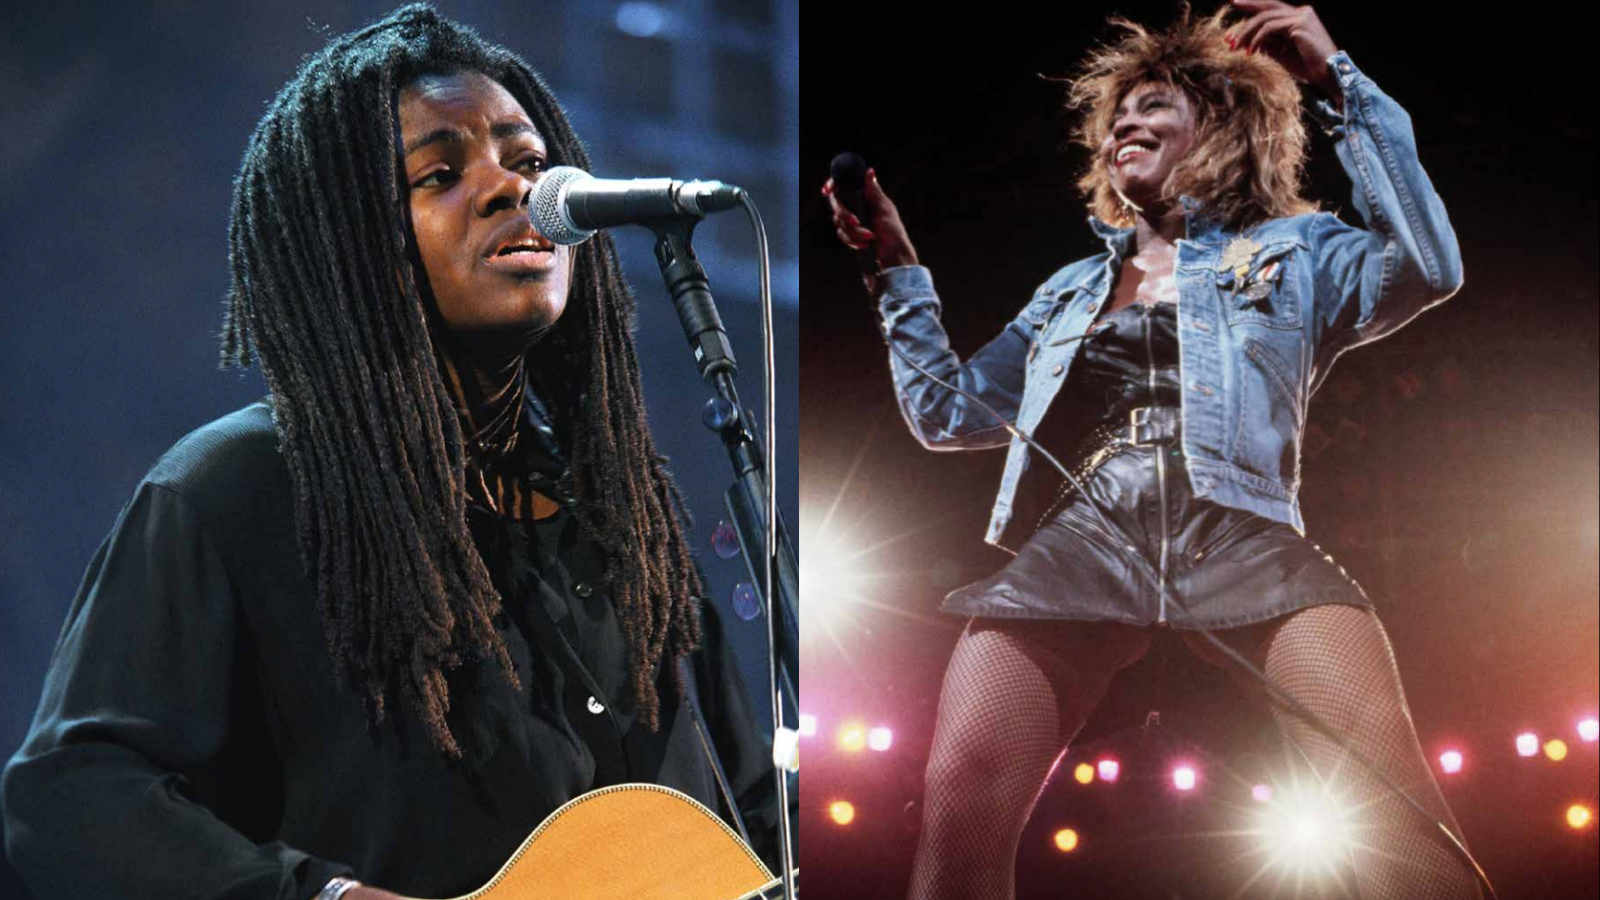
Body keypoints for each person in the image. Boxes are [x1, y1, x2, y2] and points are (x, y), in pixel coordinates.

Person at [2, 6, 788, 899]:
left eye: (530, 162)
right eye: (440, 173)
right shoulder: (239, 490)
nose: (513, 190)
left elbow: (755, 821)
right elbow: (69, 795)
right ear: (350, 243)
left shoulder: (625, 521)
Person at [826, 2, 1482, 899]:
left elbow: (1428, 266)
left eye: (1153, 109)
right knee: (959, 799)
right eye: (1115, 117)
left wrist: (1337, 78)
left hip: (1241, 522)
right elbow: (950, 414)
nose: (1124, 127)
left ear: (1221, 127)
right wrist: (896, 270)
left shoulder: (1294, 250)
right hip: (1088, 532)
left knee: (1395, 813)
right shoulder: (1070, 289)